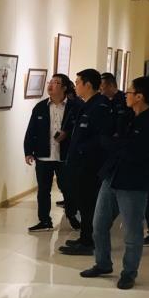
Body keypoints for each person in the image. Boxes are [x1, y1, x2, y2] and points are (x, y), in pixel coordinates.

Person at [80, 76, 149, 289]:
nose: (125, 94)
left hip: (133, 183)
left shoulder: (148, 122)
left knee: (132, 231)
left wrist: (115, 144)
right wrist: (116, 144)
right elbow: (114, 140)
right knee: (98, 224)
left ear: (139, 96)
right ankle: (102, 264)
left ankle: (129, 273)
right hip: (111, 176)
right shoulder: (126, 115)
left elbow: (134, 152)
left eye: (129, 92)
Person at [58, 69, 114, 255]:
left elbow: (101, 137)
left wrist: (81, 150)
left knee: (88, 203)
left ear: (88, 85)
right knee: (83, 202)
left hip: (90, 165)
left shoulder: (100, 106)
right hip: (80, 163)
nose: (75, 86)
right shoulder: (86, 105)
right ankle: (84, 237)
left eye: (78, 82)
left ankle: (88, 242)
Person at [23, 73, 80, 231]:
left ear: (64, 88)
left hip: (65, 156)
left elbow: (80, 131)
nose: (51, 85)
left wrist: (67, 134)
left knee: (68, 188)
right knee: (43, 190)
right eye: (50, 82)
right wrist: (28, 151)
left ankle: (72, 215)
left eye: (56, 83)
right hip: (44, 155)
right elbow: (31, 130)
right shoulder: (40, 107)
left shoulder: (74, 107)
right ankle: (44, 220)